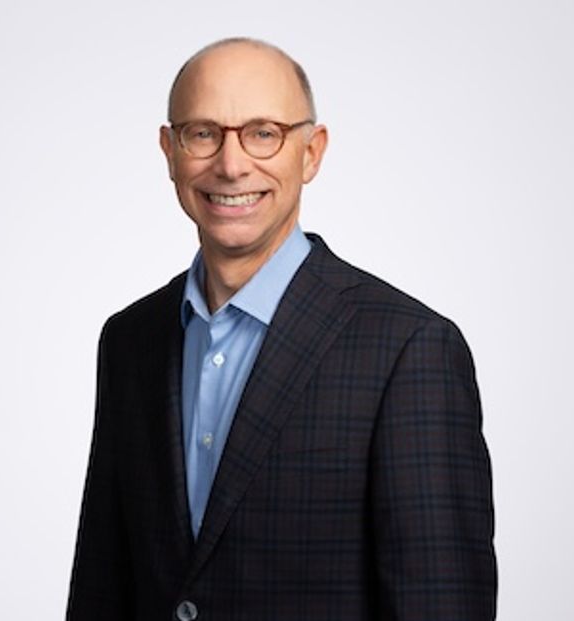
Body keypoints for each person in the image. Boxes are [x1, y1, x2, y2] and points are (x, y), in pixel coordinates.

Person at [67, 38, 497, 621]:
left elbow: (439, 605)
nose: (231, 164)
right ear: (169, 151)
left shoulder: (408, 350)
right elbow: (103, 586)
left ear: (311, 153)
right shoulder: (130, 340)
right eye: (203, 133)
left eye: (263, 133)